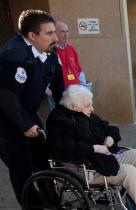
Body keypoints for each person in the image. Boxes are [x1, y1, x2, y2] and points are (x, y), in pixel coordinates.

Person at [46, 85, 136, 210]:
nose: (92, 109)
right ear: (73, 106)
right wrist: (95, 148)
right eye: (88, 106)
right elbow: (66, 147)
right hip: (85, 169)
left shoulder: (86, 115)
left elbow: (110, 128)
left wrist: (110, 137)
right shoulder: (59, 120)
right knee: (128, 171)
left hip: (101, 160)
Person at [0, 9, 64, 204]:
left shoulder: (50, 53)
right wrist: (25, 125)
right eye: (50, 33)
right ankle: (32, 205)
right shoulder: (13, 54)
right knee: (21, 167)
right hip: (4, 119)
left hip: (27, 112)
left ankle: (52, 203)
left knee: (43, 161)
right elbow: (6, 96)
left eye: (55, 31)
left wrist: (71, 114)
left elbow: (59, 87)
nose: (56, 37)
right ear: (32, 36)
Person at [46, 20, 88, 109]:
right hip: (59, 95)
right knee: (60, 120)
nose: (66, 35)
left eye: (67, 31)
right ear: (55, 33)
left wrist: (84, 89)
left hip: (75, 94)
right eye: (62, 32)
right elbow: (42, 72)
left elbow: (79, 70)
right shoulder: (49, 51)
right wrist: (46, 89)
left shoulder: (71, 48)